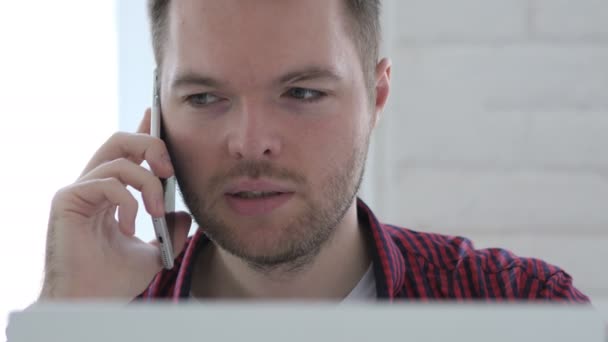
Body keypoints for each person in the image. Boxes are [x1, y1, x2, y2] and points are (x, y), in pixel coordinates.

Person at [39, 0, 589, 302]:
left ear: (376, 98)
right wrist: (66, 321)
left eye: (302, 92)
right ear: (156, 113)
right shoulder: (100, 322)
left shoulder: (519, 306)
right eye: (205, 97)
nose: (251, 143)